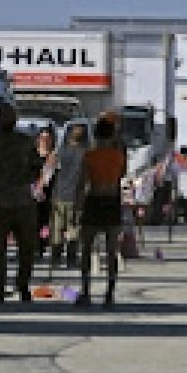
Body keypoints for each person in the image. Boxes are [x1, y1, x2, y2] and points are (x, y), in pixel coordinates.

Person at [0, 103, 42, 303]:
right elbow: (36, 168)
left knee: (4, 250)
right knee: (18, 250)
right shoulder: (22, 142)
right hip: (16, 202)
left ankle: (9, 289)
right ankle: (15, 287)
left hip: (6, 202)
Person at [76, 116, 126, 308]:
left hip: (94, 200)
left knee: (87, 248)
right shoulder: (118, 156)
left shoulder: (89, 156)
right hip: (112, 200)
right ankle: (109, 293)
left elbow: (82, 183)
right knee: (111, 250)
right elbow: (120, 175)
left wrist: (77, 207)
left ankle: (86, 291)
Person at [51, 122, 87, 268]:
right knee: (73, 228)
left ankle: (56, 257)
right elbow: (86, 176)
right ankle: (71, 258)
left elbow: (50, 173)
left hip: (59, 194)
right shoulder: (85, 154)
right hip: (75, 196)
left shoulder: (59, 152)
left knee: (58, 228)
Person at [33, 127, 56, 259]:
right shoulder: (33, 155)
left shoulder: (52, 157)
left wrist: (42, 185)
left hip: (48, 192)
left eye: (47, 139)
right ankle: (34, 246)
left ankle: (42, 246)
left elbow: (50, 175)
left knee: (45, 221)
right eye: (42, 138)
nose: (45, 141)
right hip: (33, 191)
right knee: (33, 220)